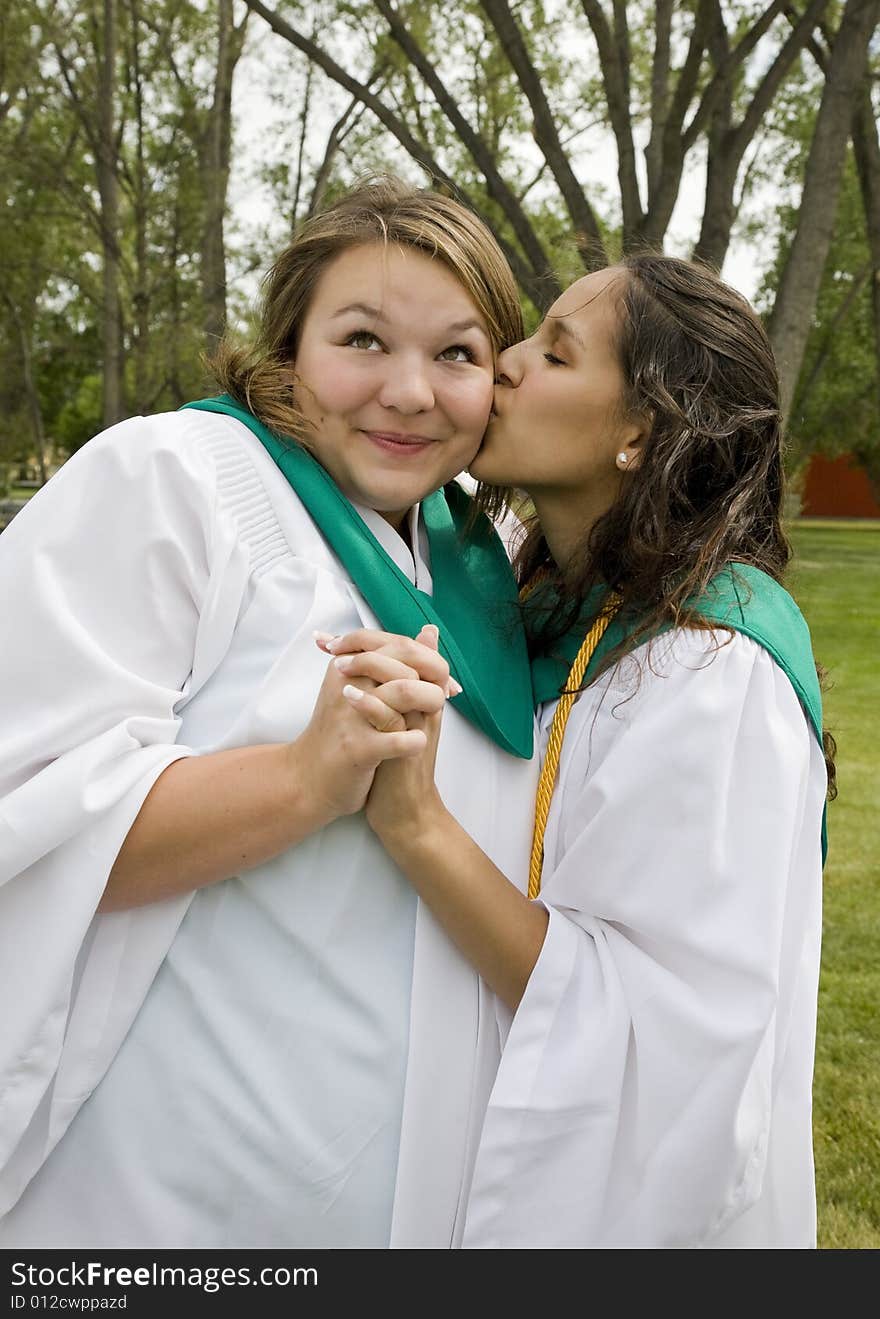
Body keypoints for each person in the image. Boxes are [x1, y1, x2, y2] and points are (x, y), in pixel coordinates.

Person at [0, 176, 541, 1248]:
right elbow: (30, 821)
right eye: (361, 339)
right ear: (290, 345)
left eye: (457, 355)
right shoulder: (176, 477)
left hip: (400, 1190)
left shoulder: (487, 558)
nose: (408, 392)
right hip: (163, 1185)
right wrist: (304, 777)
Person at [327, 254, 833, 1248]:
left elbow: (656, 1038)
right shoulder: (538, 606)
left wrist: (419, 827)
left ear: (639, 433)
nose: (503, 365)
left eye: (552, 353)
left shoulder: (712, 669)